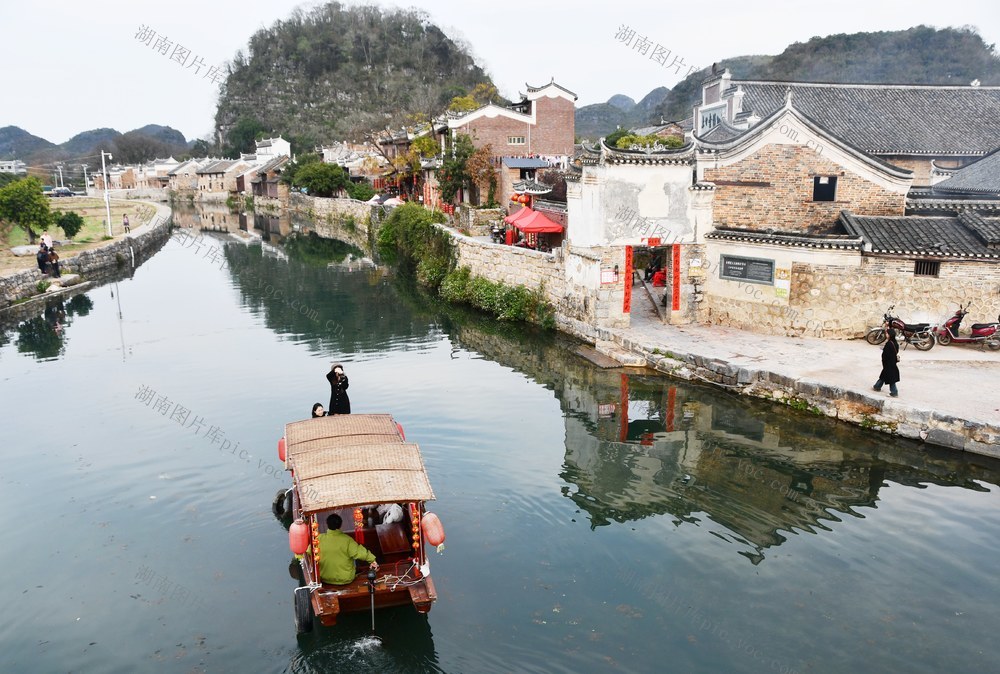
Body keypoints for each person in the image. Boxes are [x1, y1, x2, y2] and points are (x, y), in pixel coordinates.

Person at [316, 513, 377, 585]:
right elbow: (360, 553)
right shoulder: (347, 540)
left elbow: (308, 551)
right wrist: (372, 560)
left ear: (327, 524)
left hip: (324, 578)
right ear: (340, 525)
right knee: (354, 561)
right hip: (346, 579)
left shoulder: (319, 539)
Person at [872, 325, 900, 397]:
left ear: (890, 335)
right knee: (884, 375)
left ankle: (894, 392)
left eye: (887, 333)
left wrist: (884, 360)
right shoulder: (895, 343)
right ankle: (877, 386)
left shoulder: (889, 344)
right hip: (892, 362)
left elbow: (885, 355)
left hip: (889, 363)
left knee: (891, 378)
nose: (886, 335)